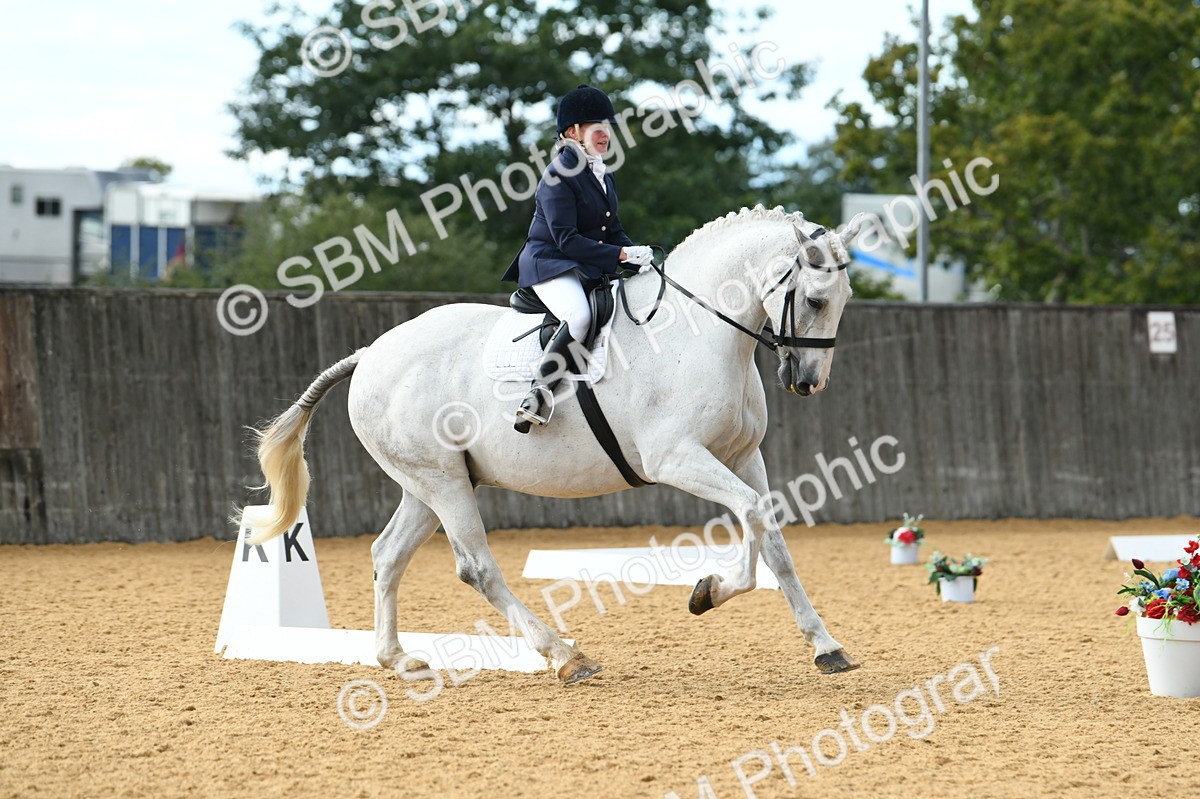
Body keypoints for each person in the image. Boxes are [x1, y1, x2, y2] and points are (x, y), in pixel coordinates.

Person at [502, 84, 654, 433]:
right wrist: (619, 254)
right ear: (573, 132)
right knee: (580, 316)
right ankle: (537, 393)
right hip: (549, 263)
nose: (606, 133)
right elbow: (566, 239)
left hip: (581, 265)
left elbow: (612, 229)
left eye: (608, 126)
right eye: (596, 126)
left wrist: (638, 257)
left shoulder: (602, 172)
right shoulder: (557, 175)